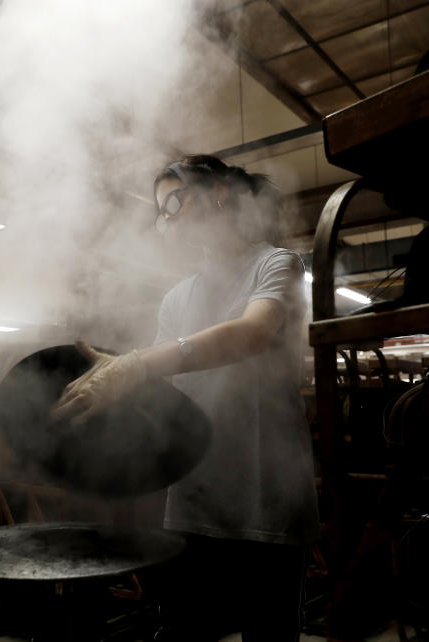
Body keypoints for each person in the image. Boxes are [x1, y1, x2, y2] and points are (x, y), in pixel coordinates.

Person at [53, 154, 320, 641]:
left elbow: (253, 332)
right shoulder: (177, 297)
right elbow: (163, 394)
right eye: (160, 211)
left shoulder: (276, 263)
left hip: (267, 490)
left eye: (173, 201)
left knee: (270, 632)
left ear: (218, 191)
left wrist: (137, 363)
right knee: (183, 629)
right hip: (197, 499)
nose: (167, 219)